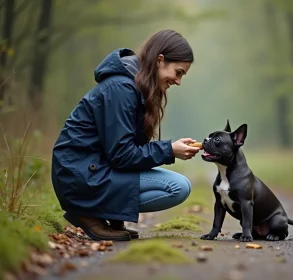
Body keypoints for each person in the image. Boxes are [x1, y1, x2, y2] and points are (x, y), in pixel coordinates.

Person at [51, 30, 201, 241]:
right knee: (178, 187)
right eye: (178, 72)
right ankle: (88, 212)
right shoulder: (121, 88)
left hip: (92, 170)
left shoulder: (135, 87)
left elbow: (118, 151)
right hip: (80, 176)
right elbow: (122, 155)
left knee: (179, 184)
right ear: (160, 60)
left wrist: (169, 149)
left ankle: (106, 216)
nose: (178, 81)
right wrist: (169, 150)